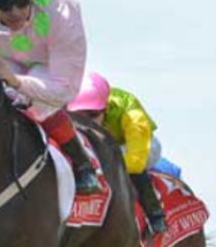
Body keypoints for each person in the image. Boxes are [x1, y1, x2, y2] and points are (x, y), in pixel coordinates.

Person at [0, 0, 101, 194]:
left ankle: (82, 165)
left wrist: (16, 81)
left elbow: (64, 90)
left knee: (36, 102)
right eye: (4, 2)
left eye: (22, 1)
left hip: (49, 65)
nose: (14, 11)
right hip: (4, 59)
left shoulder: (62, 9)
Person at [68, 71, 167, 235]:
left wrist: (104, 168)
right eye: (78, 115)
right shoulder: (65, 99)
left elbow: (135, 163)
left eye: (92, 115)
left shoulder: (133, 115)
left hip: (136, 144)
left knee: (126, 166)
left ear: (106, 108)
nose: (86, 122)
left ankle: (155, 216)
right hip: (105, 145)